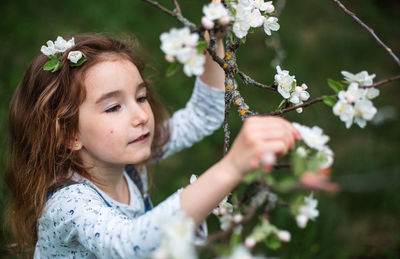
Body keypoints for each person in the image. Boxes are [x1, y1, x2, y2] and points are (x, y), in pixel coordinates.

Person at [5, 33, 300, 258]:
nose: (140, 116)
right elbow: (128, 243)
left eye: (141, 97)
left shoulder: (127, 160)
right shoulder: (68, 205)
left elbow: (202, 116)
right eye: (113, 108)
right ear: (69, 135)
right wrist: (231, 168)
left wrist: (214, 43)